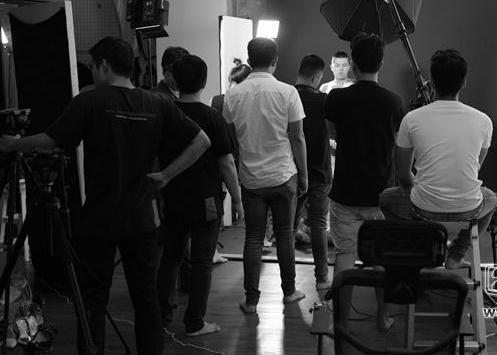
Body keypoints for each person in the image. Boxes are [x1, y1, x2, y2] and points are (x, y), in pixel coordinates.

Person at [0, 36, 211, 355]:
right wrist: (166, 175)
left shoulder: (90, 101)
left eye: (94, 67)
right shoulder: (157, 103)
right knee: (146, 299)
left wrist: (11, 144)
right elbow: (202, 141)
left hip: (100, 217)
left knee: (93, 300)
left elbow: (48, 141)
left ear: (104, 66)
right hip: (142, 217)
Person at [379, 49, 496, 269]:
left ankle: (419, 250)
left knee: (386, 198)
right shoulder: (484, 121)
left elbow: (402, 174)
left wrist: (421, 188)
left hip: (422, 208)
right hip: (468, 207)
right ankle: (456, 255)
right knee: (490, 198)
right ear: (464, 82)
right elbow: (474, 169)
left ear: (432, 82)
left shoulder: (411, 119)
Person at [157, 54, 243, 336]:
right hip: (205, 199)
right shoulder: (212, 117)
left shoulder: (165, 114)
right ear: (204, 82)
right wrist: (237, 199)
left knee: (170, 258)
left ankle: (161, 318)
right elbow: (226, 163)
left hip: (172, 196)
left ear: (175, 80)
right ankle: (195, 323)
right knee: (202, 262)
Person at [325, 32, 405, 332]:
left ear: (353, 65)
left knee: (344, 257)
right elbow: (397, 145)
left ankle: (341, 323)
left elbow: (332, 133)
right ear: (381, 63)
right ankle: (383, 318)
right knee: (381, 257)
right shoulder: (394, 102)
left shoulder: (336, 98)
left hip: (345, 191)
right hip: (382, 194)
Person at [223, 37, 308, 314]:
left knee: (253, 238)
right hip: (284, 175)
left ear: (249, 60)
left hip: (250, 178)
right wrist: (304, 175)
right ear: (275, 60)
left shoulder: (233, 95)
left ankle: (251, 301)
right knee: (285, 235)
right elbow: (297, 138)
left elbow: (232, 141)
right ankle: (289, 292)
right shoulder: (288, 92)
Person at [293, 54, 332, 291]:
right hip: (319, 170)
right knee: (318, 225)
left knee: (288, 228)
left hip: (291, 170)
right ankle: (322, 278)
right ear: (317, 77)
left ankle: (288, 284)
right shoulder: (324, 100)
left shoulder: (286, 96)